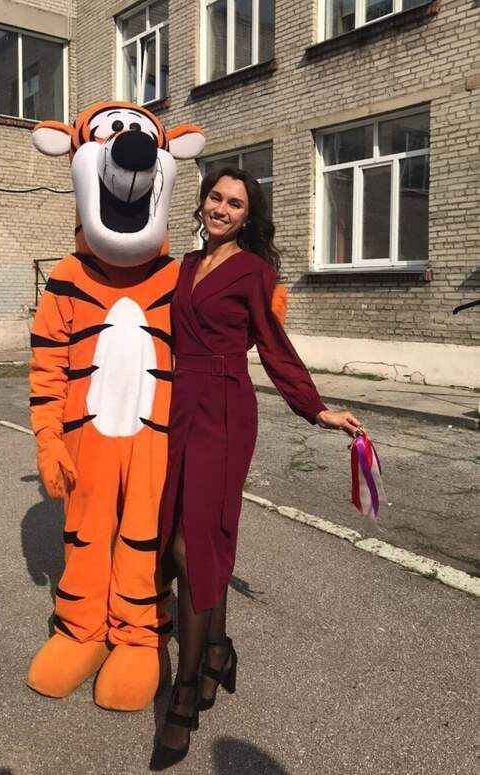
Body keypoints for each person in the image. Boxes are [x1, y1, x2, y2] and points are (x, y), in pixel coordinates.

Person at [149, 167, 362, 770]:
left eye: (235, 203)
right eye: (215, 198)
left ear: (248, 216)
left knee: (193, 545)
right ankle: (217, 650)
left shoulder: (253, 271)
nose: (221, 208)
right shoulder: (185, 267)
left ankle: (184, 697)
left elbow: (273, 346)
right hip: (179, 407)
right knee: (190, 540)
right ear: (201, 203)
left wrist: (314, 407)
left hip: (224, 410)